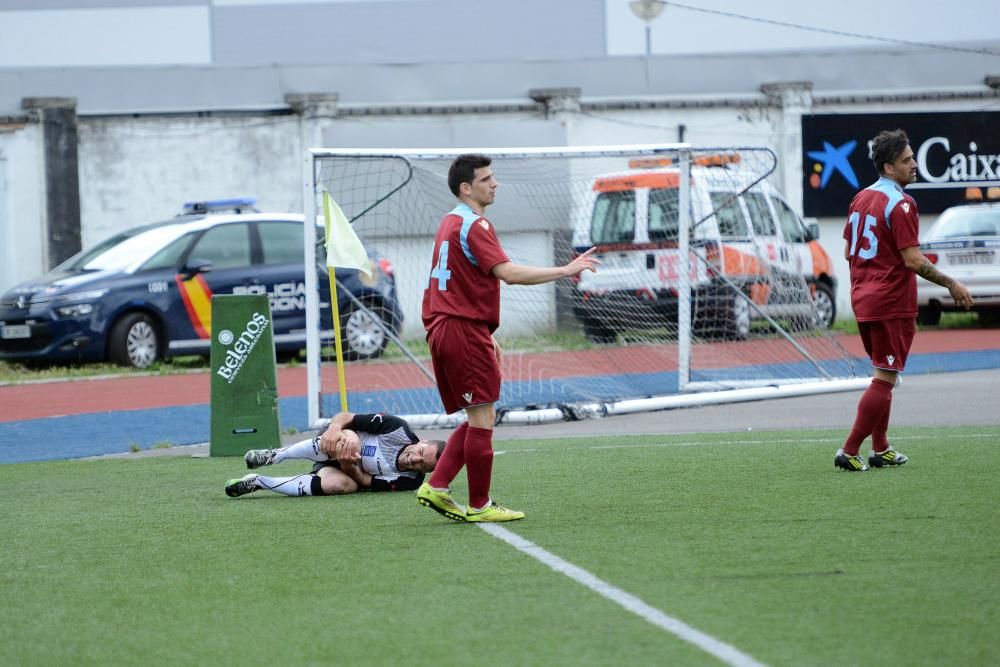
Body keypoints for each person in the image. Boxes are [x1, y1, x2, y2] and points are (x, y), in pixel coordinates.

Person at [416, 153, 600, 522]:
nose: (494, 183)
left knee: (477, 415)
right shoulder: (475, 226)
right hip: (459, 329)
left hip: (451, 328)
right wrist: (567, 269)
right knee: (483, 418)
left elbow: (454, 283)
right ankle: (479, 505)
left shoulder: (449, 222)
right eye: (486, 179)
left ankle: (436, 486)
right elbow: (509, 274)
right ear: (466, 188)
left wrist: (480, 331)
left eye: (493, 177)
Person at [835, 129, 973, 472]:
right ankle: (849, 449)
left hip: (864, 298)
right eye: (906, 160)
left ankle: (880, 448)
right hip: (889, 302)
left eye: (912, 157)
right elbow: (912, 260)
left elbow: (848, 251)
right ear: (888, 167)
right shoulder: (902, 203)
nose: (914, 165)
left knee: (886, 371)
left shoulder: (860, 198)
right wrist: (951, 283)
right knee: (885, 375)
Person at [224, 411, 445, 497]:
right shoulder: (397, 428)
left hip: (347, 469)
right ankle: (273, 456)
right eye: (421, 452)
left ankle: (258, 482)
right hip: (335, 439)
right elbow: (346, 416)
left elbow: (366, 482)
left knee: (344, 487)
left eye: (421, 465)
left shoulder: (410, 481)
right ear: (422, 441)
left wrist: (349, 467)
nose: (415, 459)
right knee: (352, 443)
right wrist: (333, 429)